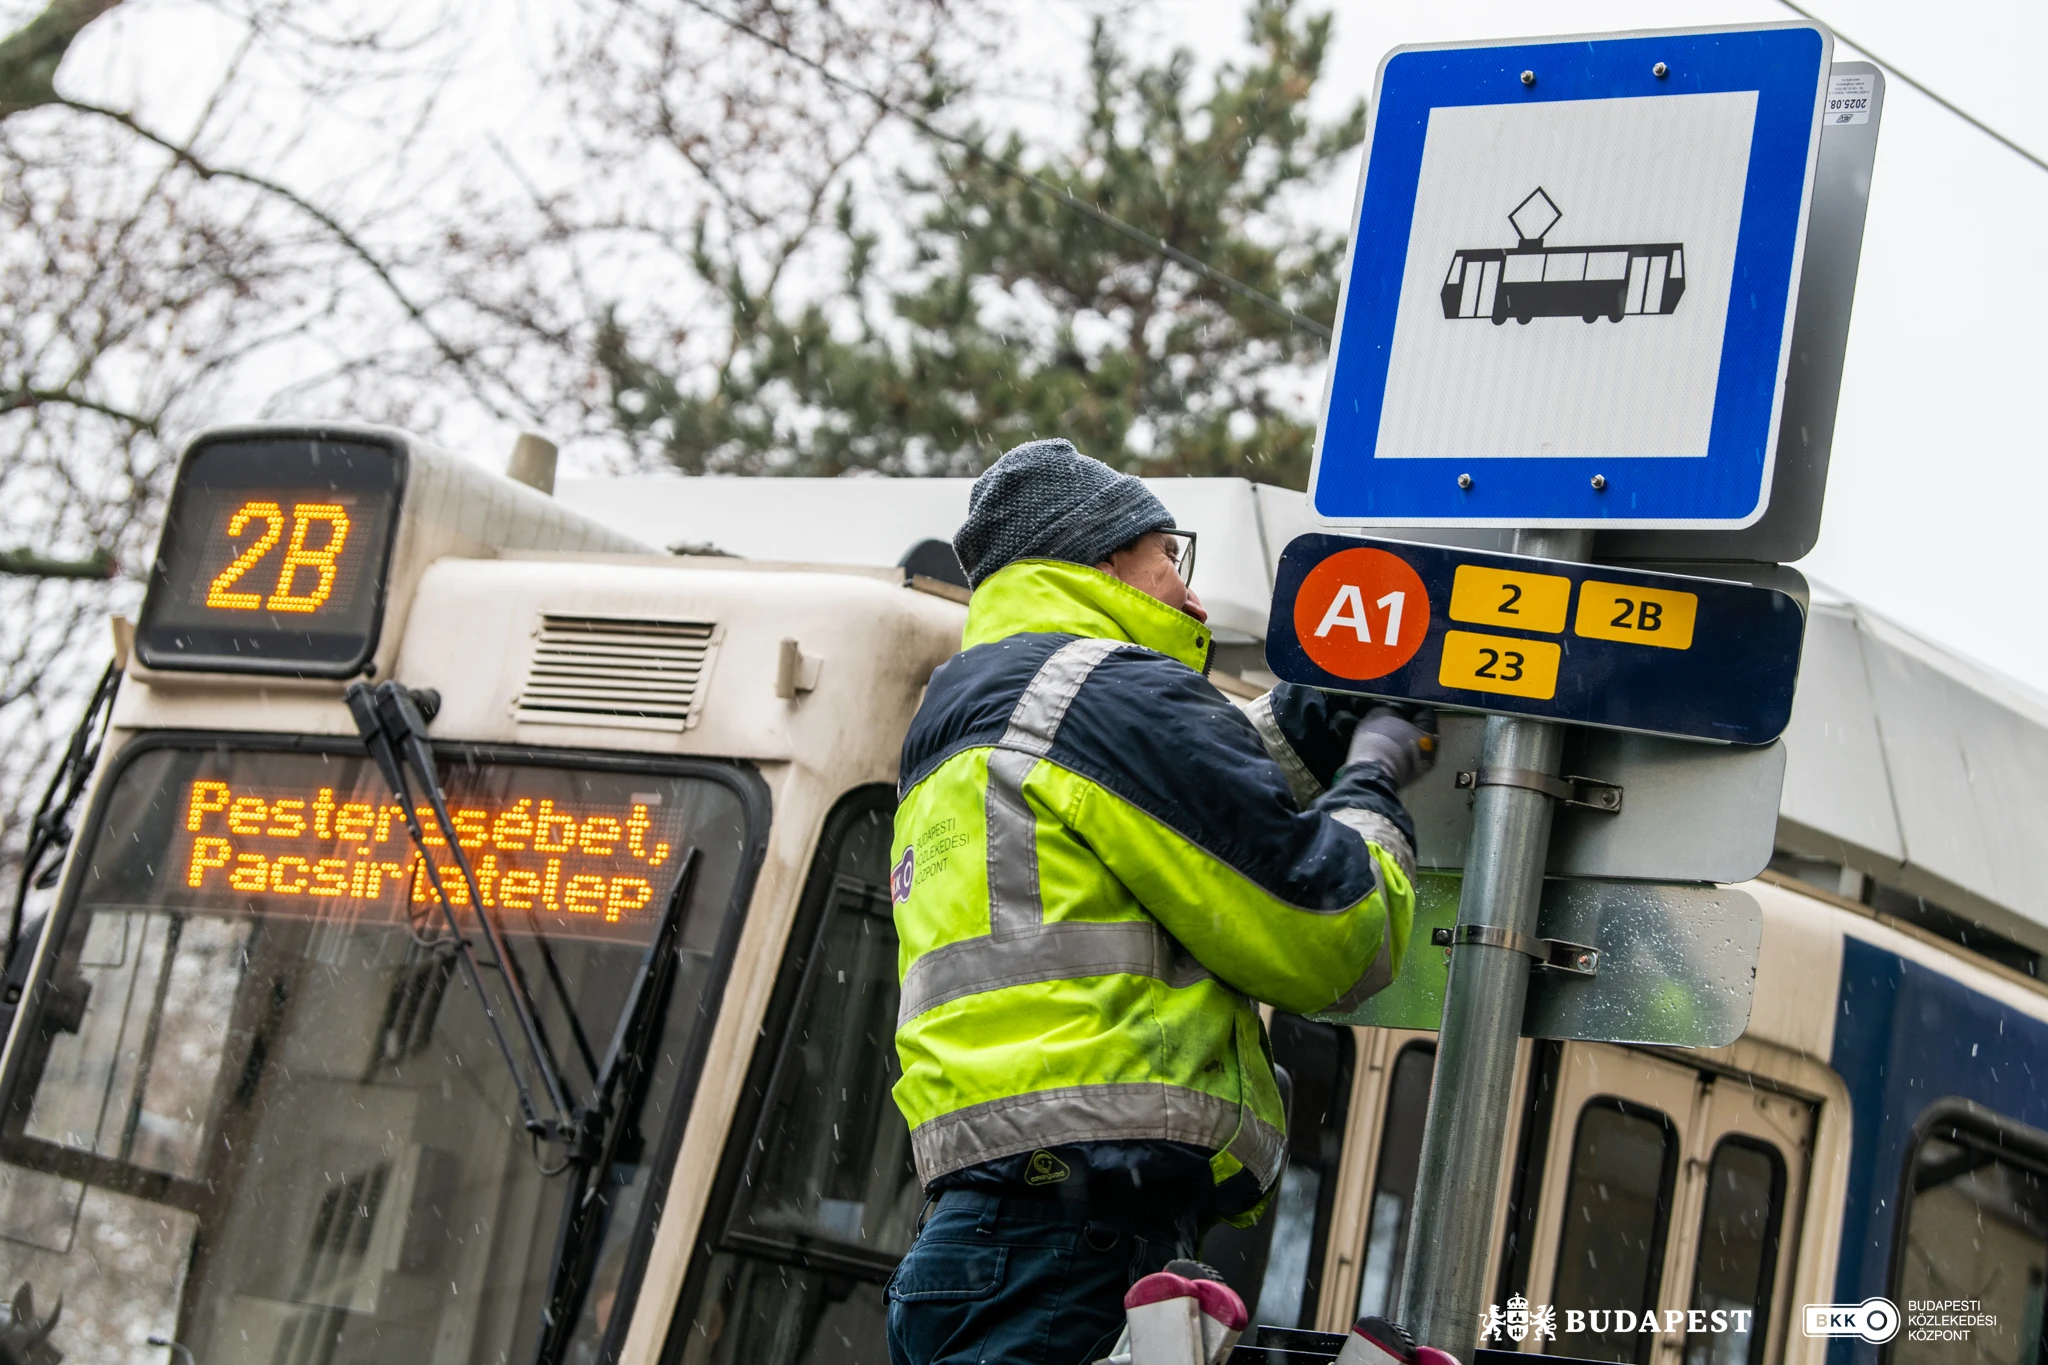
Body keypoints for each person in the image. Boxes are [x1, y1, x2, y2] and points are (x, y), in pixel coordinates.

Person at [884, 438, 1435, 1365]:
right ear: (1103, 559)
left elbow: (1158, 811)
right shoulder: (1104, 691)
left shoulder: (971, 711)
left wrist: (1304, 723)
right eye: (1170, 557)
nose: (1191, 594)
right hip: (1077, 1252)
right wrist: (1373, 782)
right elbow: (1331, 935)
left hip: (977, 1249)